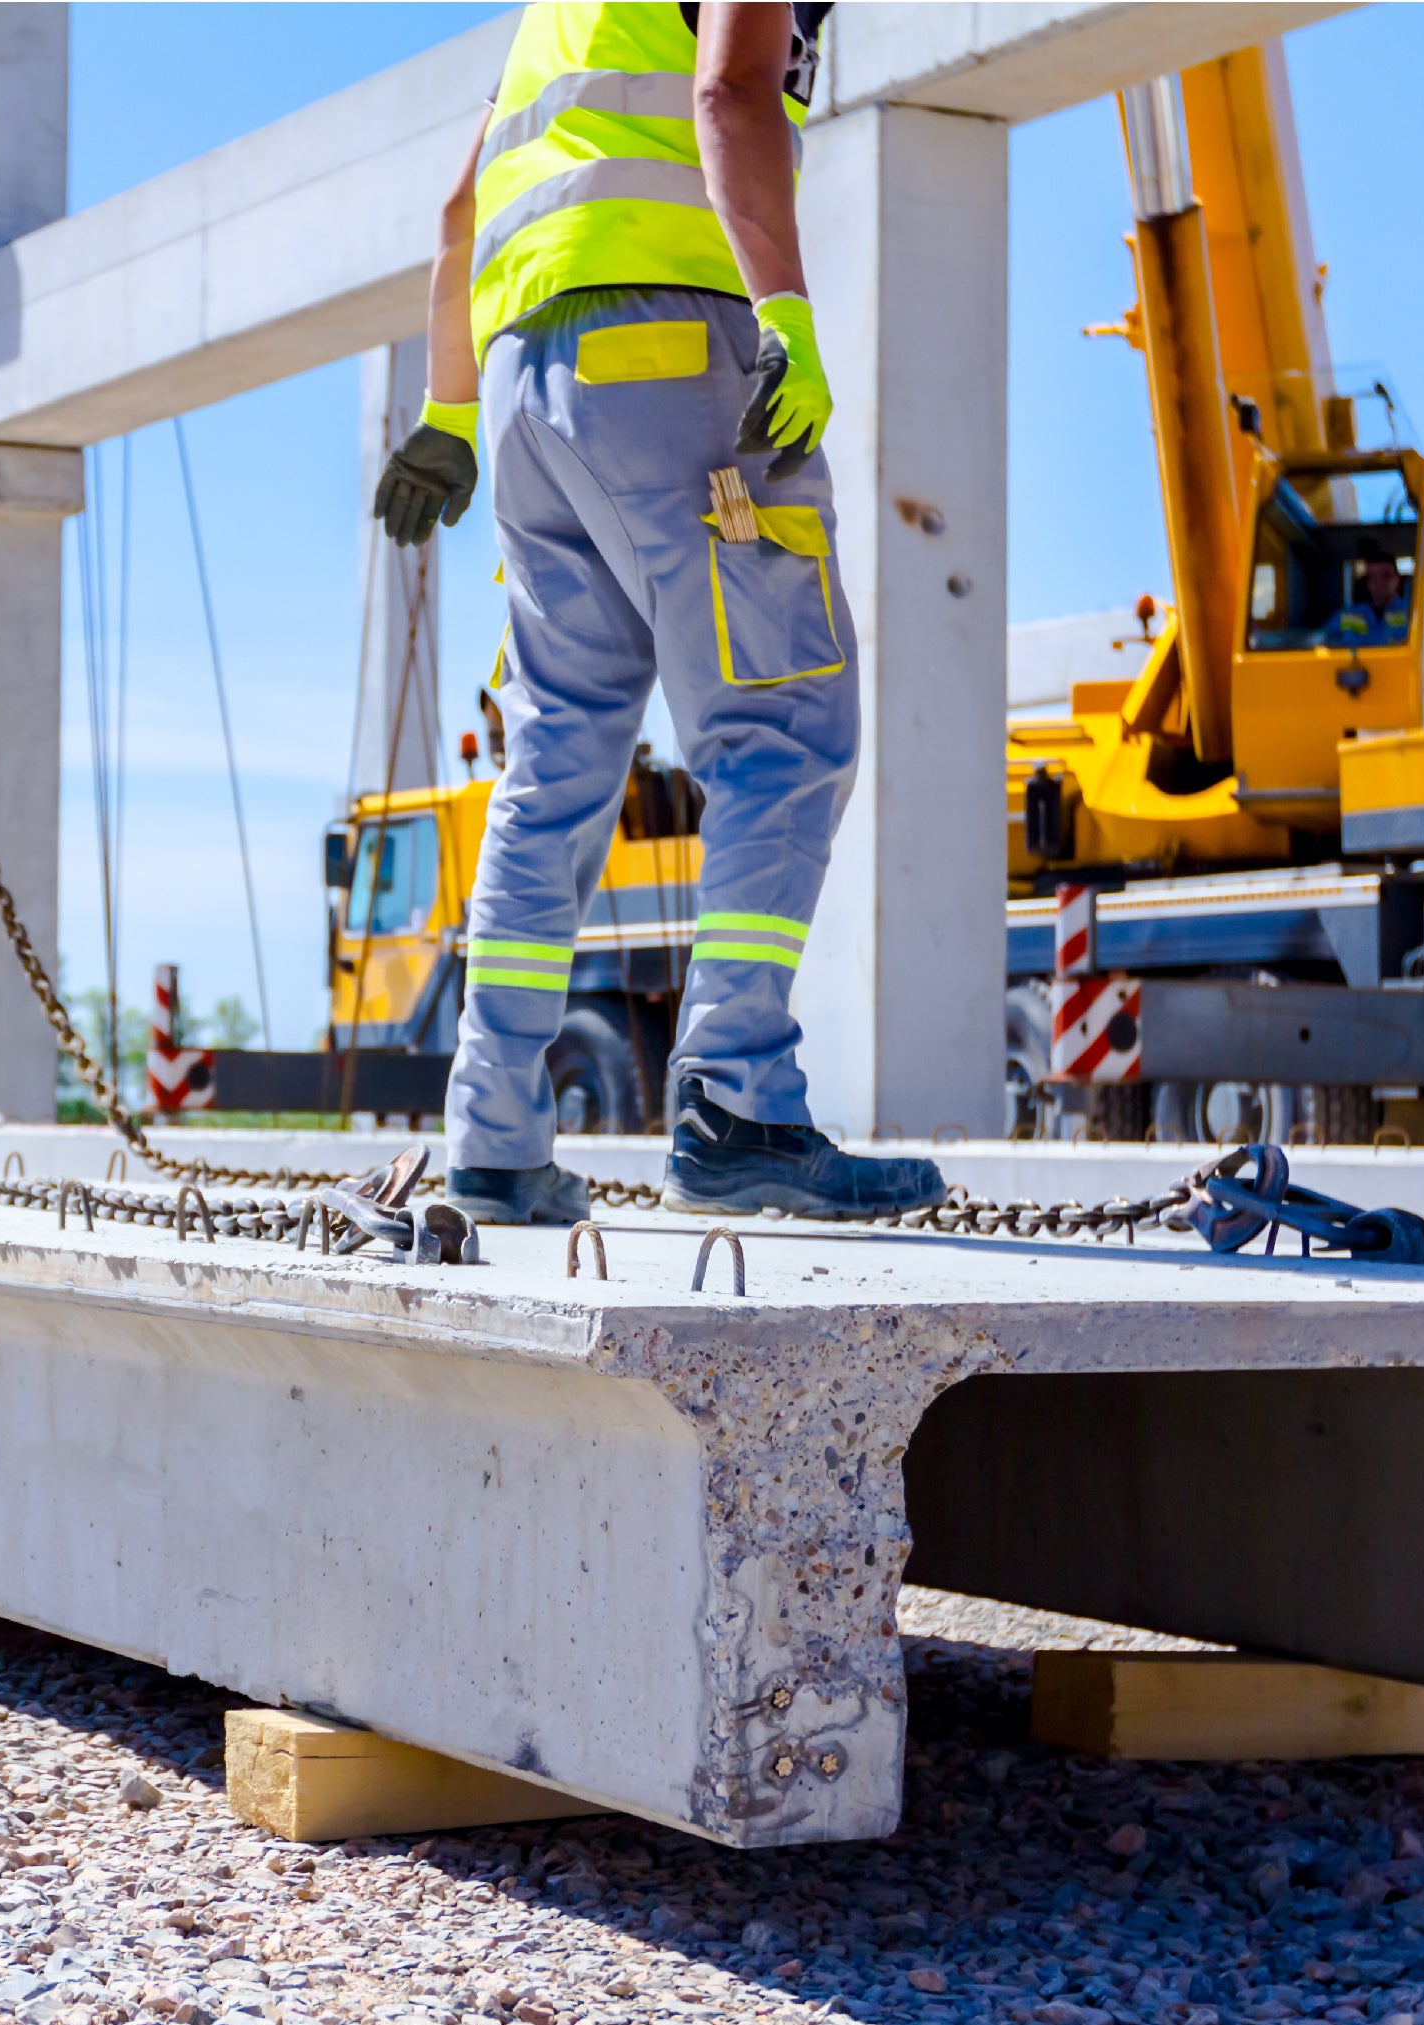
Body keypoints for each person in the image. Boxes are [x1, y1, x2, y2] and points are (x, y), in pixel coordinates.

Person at [373, 1, 946, 1227]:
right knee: (784, 728)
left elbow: (456, 217)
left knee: (559, 759)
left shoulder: (561, 17)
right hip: (668, 348)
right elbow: (731, 93)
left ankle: (490, 1138)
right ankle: (735, 1097)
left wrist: (451, 416)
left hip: (527, 386)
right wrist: (783, 314)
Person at [1328, 536, 1412, 646]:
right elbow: (1322, 643)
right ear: (1367, 583)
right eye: (1373, 576)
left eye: (1386, 576)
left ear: (1398, 579)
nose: (1380, 582)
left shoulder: (1412, 615)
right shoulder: (1346, 616)